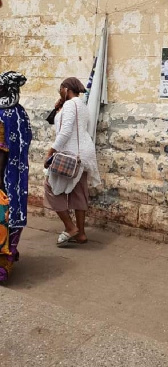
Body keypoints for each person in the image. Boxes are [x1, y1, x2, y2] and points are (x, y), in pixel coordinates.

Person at [44, 77, 100, 247]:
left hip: (70, 155)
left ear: (66, 89)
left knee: (50, 188)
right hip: (83, 154)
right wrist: (58, 106)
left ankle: (70, 227)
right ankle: (81, 234)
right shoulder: (81, 105)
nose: (59, 91)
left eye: (61, 89)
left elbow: (65, 131)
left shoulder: (70, 105)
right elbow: (56, 121)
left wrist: (51, 152)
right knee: (79, 192)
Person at [0, 71, 32, 282]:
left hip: (3, 176)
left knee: (3, 216)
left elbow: (2, 152)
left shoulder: (1, 115)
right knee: (15, 214)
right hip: (20, 176)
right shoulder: (21, 113)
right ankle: (11, 251)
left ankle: (3, 267)